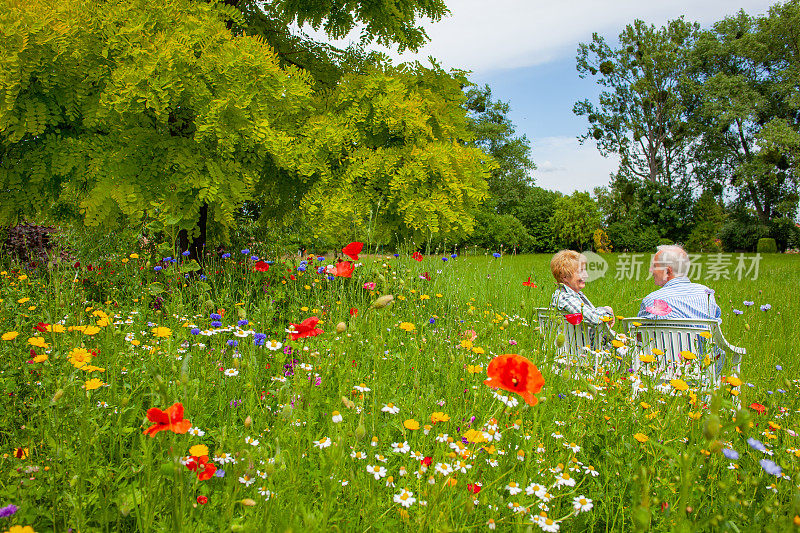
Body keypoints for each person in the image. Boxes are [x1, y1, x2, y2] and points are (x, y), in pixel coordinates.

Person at [638, 245, 721, 321]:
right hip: (704, 337)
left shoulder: (652, 300)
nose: (650, 270)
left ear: (667, 271)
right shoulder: (706, 293)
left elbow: (639, 333)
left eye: (655, 266)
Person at [550, 250, 614, 326]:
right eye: (581, 271)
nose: (586, 275)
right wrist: (607, 310)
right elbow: (594, 319)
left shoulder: (576, 295)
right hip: (578, 338)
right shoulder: (564, 297)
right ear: (564, 276)